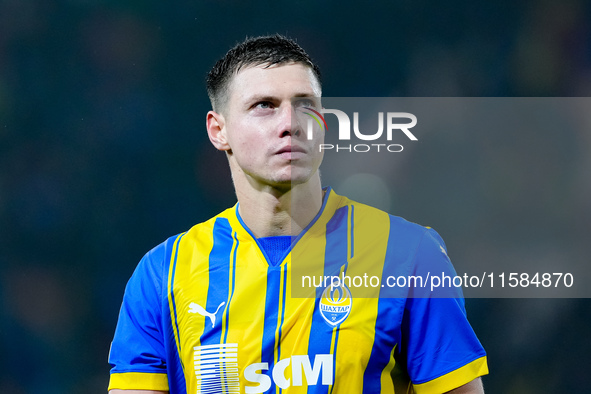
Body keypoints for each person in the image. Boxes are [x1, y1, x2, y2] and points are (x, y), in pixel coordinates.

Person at [108, 34, 488, 394]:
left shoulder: (409, 255)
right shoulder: (162, 276)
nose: (290, 124)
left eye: (306, 105)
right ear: (218, 130)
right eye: (265, 106)